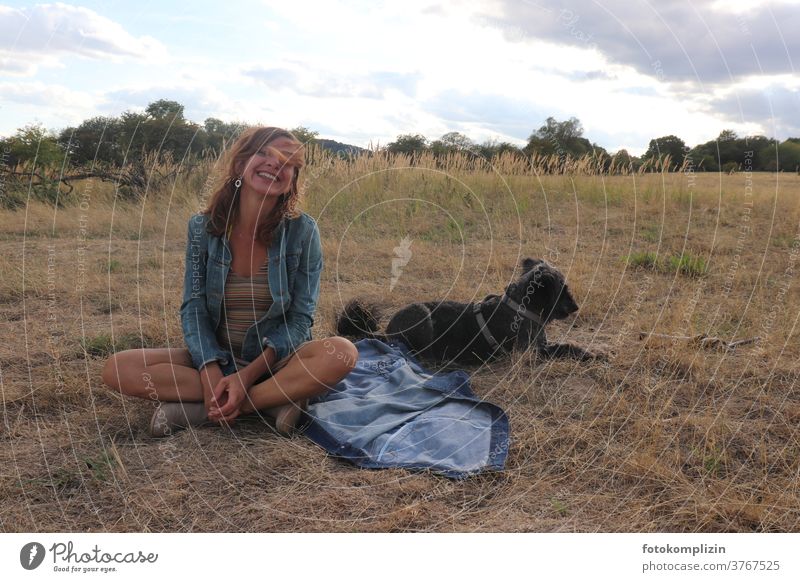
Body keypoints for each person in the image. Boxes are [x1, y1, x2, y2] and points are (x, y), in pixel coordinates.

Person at [101, 126, 358, 437]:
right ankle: (272, 400)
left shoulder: (303, 232)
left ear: (293, 177)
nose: (274, 163)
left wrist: (248, 375)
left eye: (286, 161)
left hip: (277, 362)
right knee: (118, 368)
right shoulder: (202, 228)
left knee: (342, 352)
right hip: (219, 355)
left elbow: (301, 318)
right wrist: (210, 370)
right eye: (263, 153)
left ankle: (219, 407)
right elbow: (194, 306)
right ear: (240, 165)